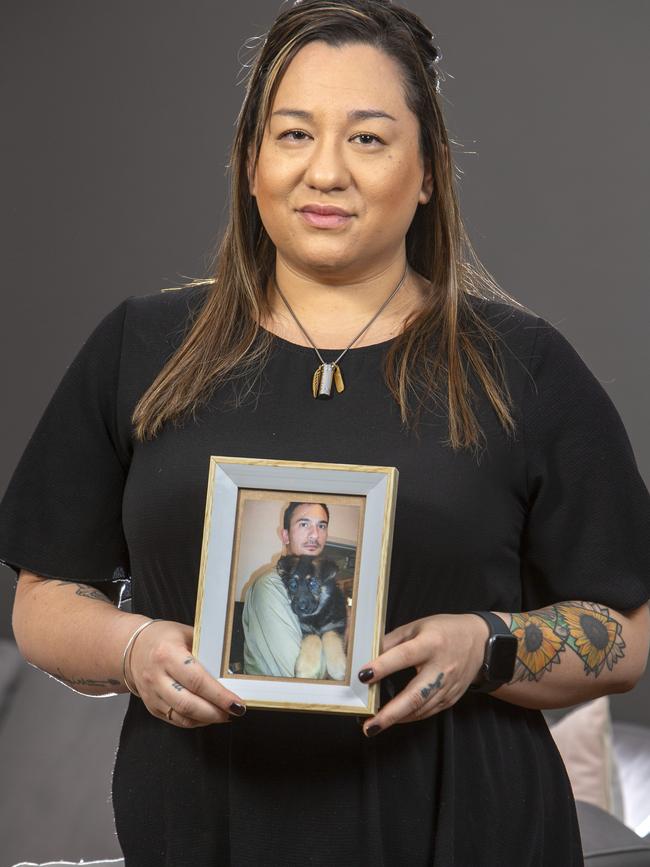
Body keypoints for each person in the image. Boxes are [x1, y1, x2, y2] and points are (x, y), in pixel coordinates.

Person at [1, 0, 649, 864]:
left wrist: (488, 643)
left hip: (464, 835)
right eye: (294, 134)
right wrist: (131, 648)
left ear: (429, 171)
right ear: (250, 162)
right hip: (202, 832)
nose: (327, 172)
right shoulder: (141, 346)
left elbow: (629, 636)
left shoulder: (521, 364)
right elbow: (41, 600)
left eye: (370, 138)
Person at [242, 501, 333, 678]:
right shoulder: (271, 585)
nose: (315, 534)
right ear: (285, 536)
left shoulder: (320, 589)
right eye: (304, 524)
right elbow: (299, 679)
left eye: (321, 526)